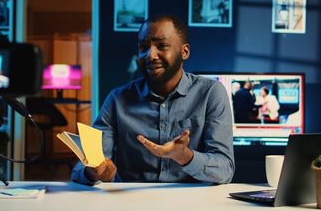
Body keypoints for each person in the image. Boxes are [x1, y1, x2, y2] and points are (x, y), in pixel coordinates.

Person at [71, 14, 234, 185]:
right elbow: (83, 167)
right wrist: (93, 172)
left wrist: (184, 156)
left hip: (191, 202)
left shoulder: (210, 93)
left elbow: (225, 170)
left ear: (184, 52)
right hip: (130, 201)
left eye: (162, 46)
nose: (150, 55)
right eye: (143, 47)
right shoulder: (117, 99)